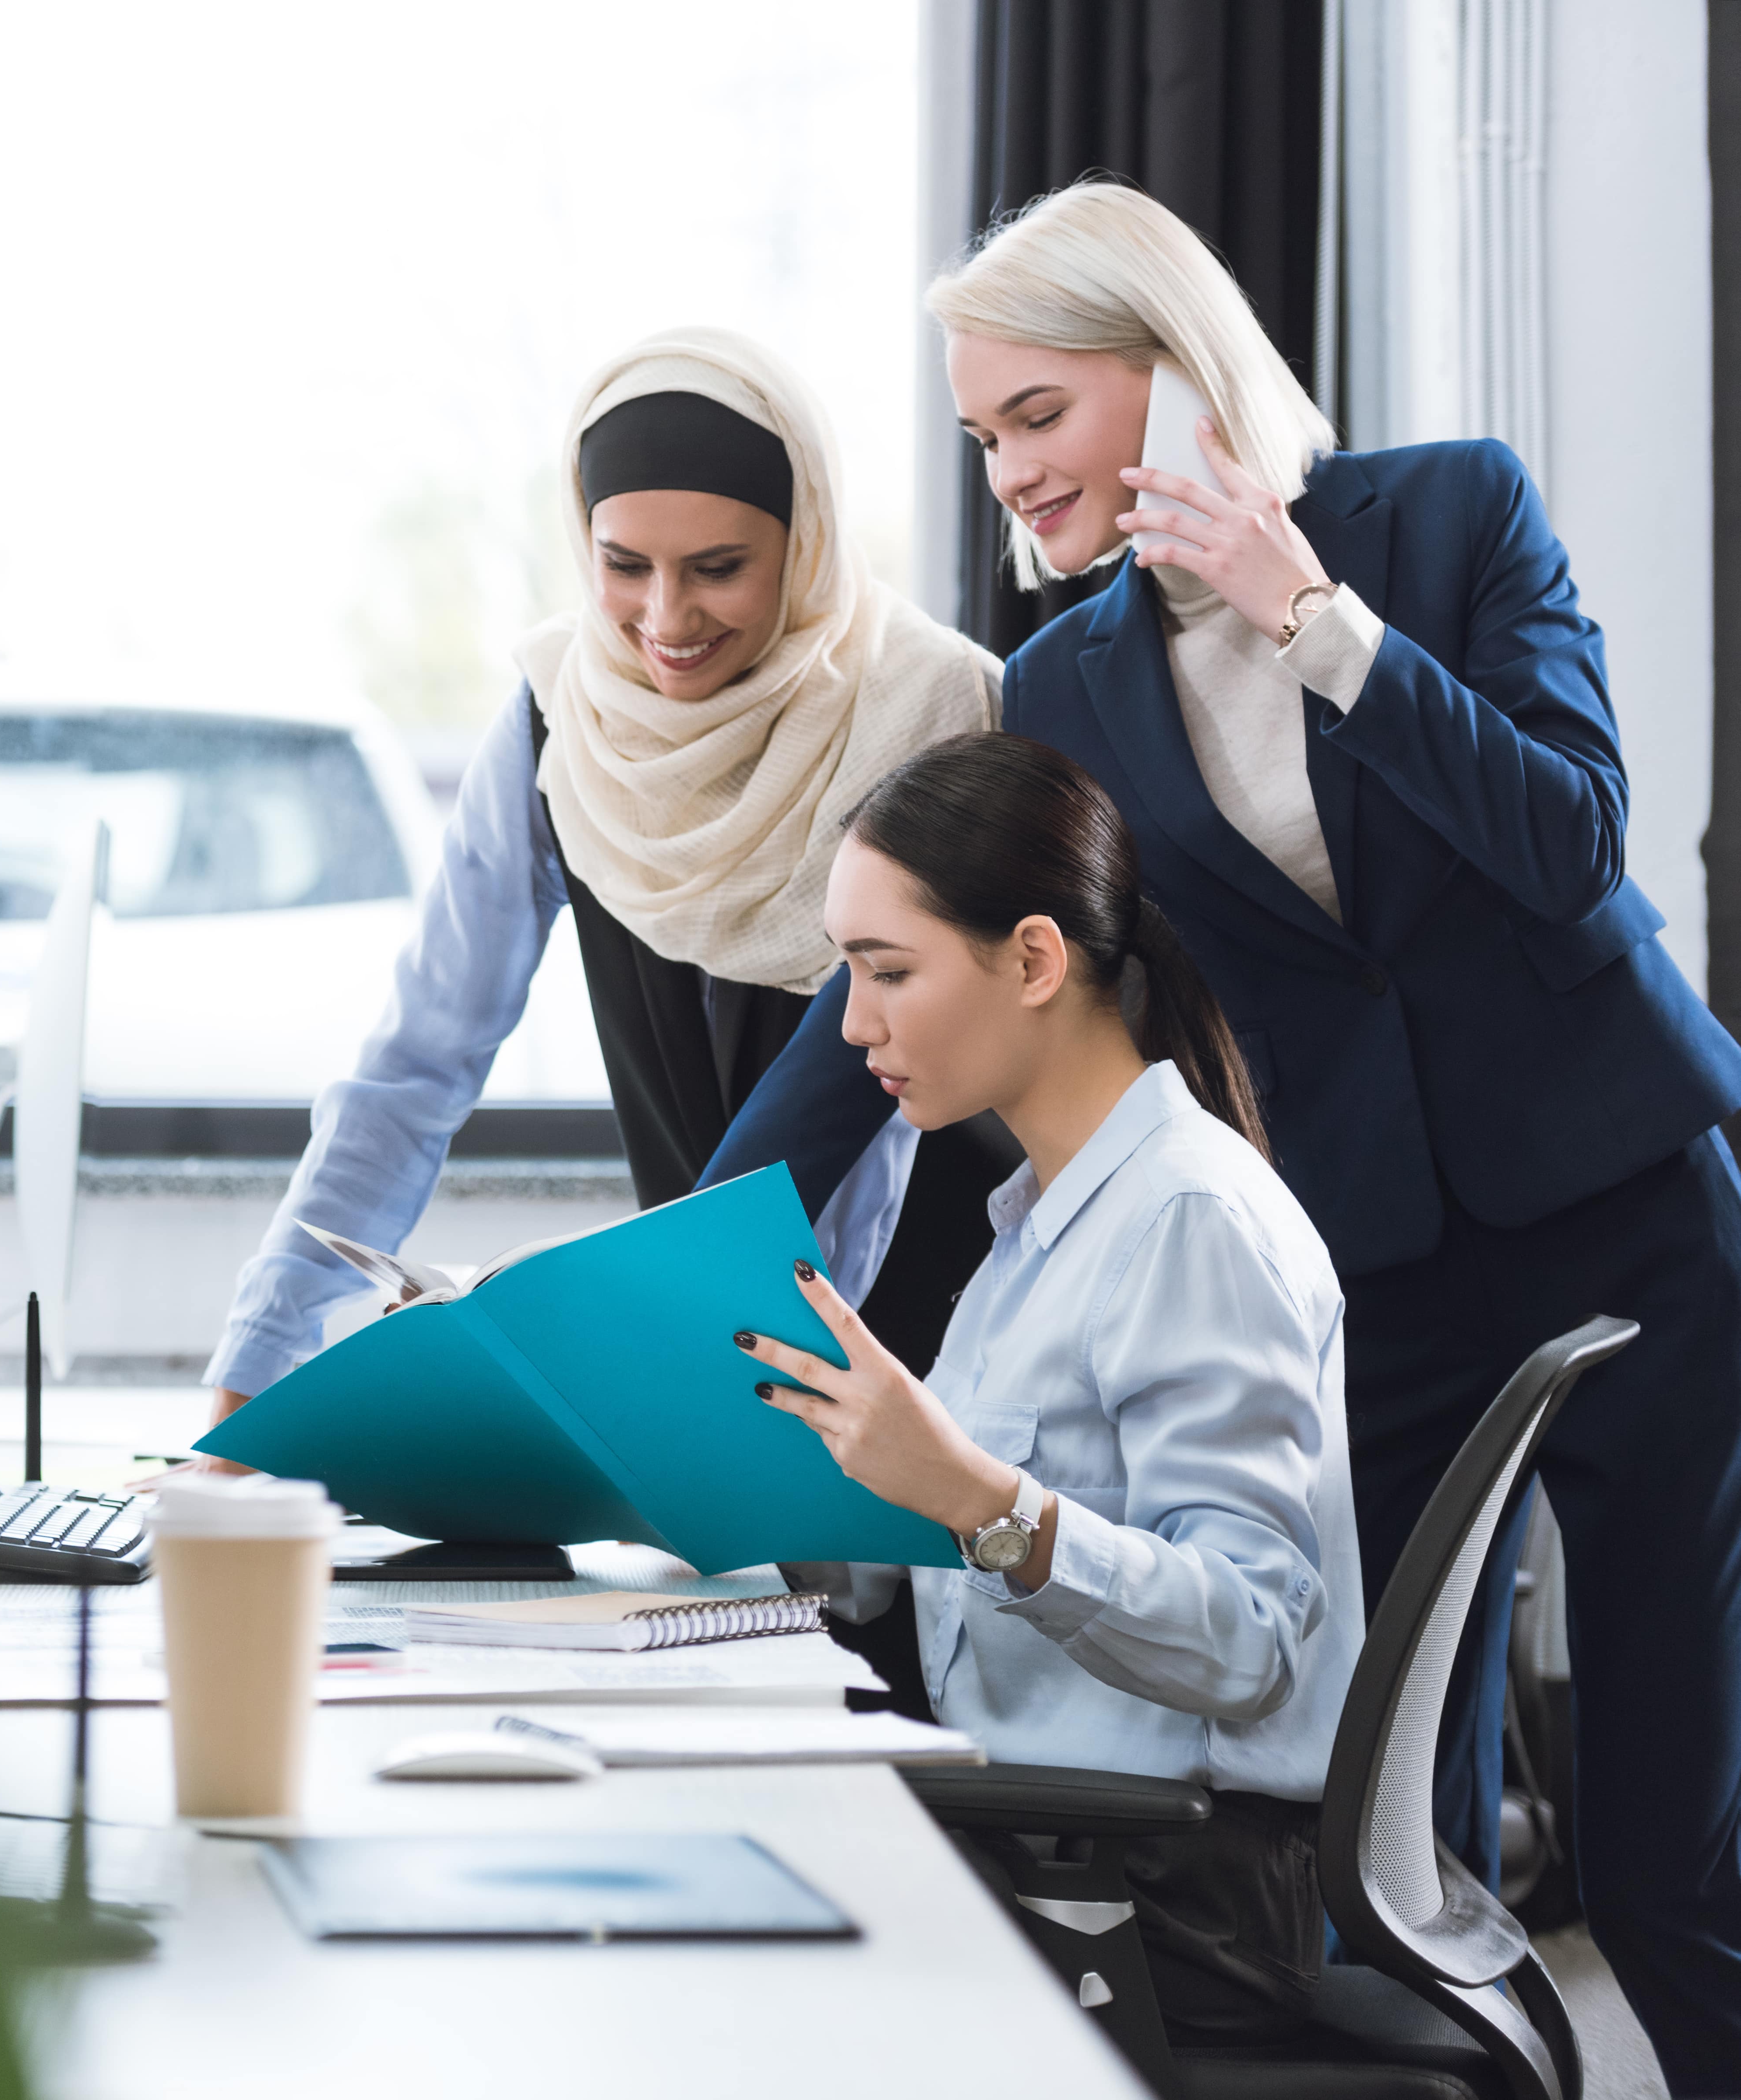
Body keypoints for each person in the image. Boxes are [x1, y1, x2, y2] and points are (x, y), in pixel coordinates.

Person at [710, 179, 1741, 2086]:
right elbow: (911, 976)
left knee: (1667, 1848)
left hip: (1633, 1209)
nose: (1009, 475)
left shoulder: (1448, 518)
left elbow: (1570, 847)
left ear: (1176, 374)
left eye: (1039, 416)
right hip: (1385, 1263)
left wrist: (1312, 618)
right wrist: (690, 1243)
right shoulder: (1067, 685)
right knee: (1380, 1844)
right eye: (982, 437)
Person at [202, 329, 1001, 1490]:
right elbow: (415, 1065)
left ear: (807, 543)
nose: (664, 617)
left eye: (719, 567)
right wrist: (253, 1383)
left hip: (920, 1346)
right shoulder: (555, 720)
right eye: (623, 564)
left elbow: (850, 1115)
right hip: (705, 1332)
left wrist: (683, 1358)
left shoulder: (932, 710)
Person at [744, 733, 1357, 2044]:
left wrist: (975, 1501)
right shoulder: (1037, 1225)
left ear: (1032, 959)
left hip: (1155, 1900)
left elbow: (1250, 1637)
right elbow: (975, 1555)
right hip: (1051, 1849)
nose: (854, 1024)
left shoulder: (1187, 1221)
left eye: (886, 973)